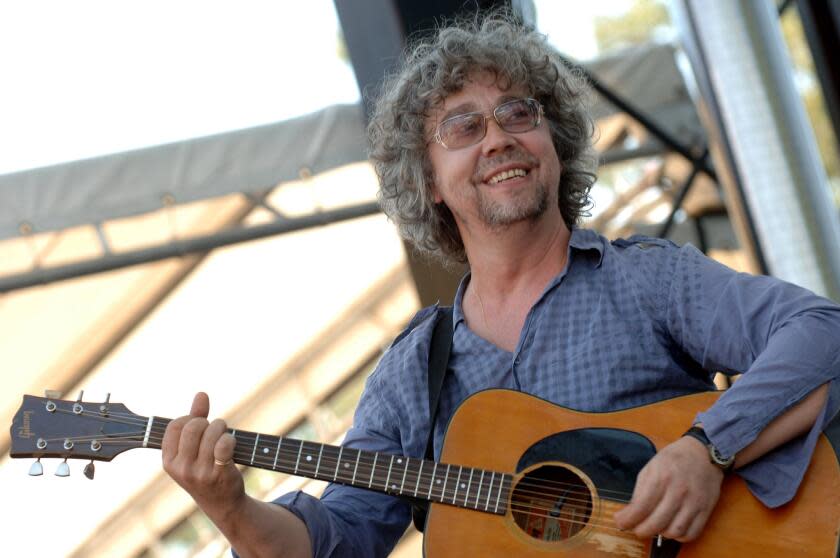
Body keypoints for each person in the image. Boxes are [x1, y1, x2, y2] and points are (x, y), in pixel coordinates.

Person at [161, 14, 840, 558]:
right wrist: (230, 509)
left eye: (519, 114)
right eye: (463, 126)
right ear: (426, 179)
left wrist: (706, 450)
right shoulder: (410, 375)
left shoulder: (644, 277)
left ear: (553, 143)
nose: (499, 139)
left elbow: (821, 333)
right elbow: (336, 544)